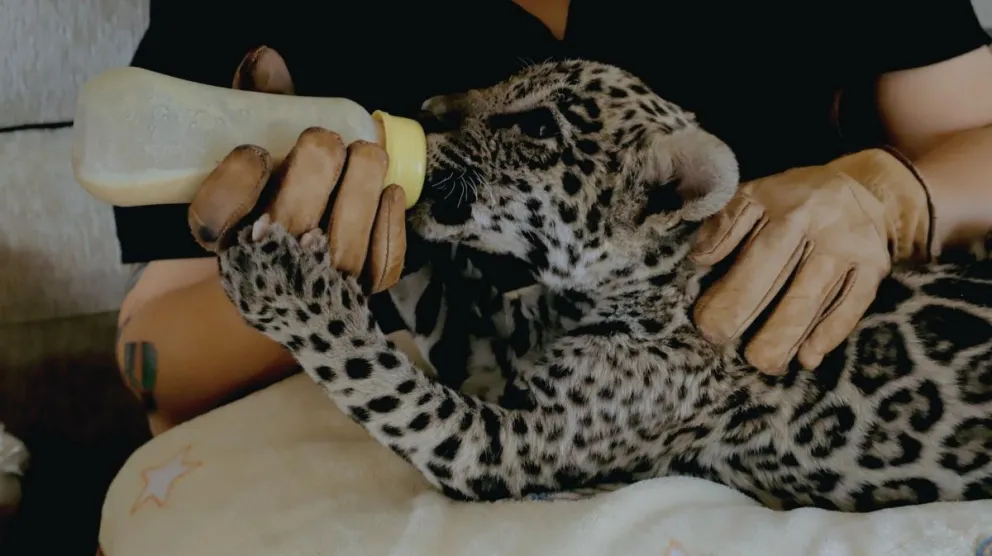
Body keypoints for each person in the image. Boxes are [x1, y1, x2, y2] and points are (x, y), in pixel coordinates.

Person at [114, 0, 992, 435]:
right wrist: (301, 275)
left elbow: (977, 134)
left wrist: (887, 191)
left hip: (791, 425)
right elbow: (155, 364)